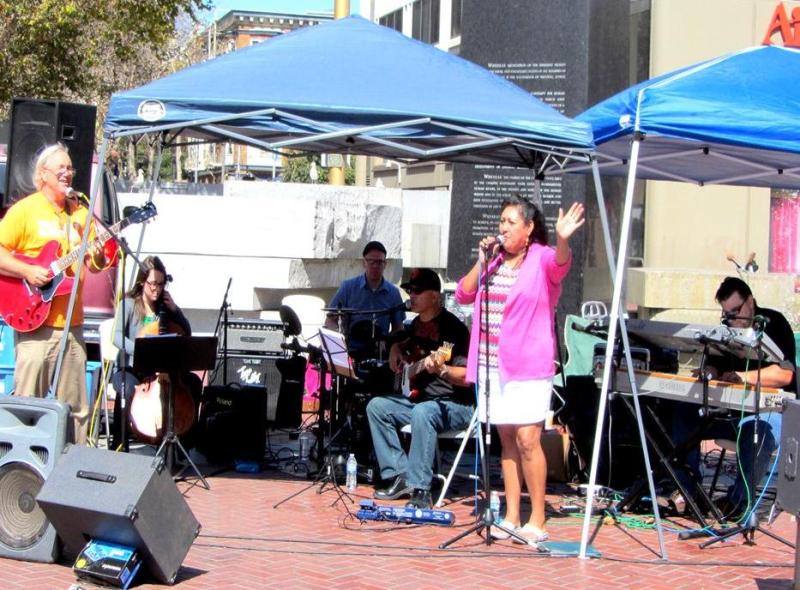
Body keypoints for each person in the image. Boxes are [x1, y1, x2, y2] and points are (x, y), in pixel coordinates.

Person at [455, 195, 585, 545]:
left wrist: (562, 238)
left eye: (511, 222)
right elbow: (463, 295)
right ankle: (511, 516)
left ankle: (538, 518)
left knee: (529, 438)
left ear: (528, 229)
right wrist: (481, 262)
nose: (503, 228)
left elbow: (561, 265)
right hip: (492, 365)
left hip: (528, 366)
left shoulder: (541, 258)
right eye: (501, 222)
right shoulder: (494, 261)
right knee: (507, 440)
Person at [0, 144, 108, 445]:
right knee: (27, 403)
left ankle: (70, 478)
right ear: (43, 174)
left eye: (70, 168)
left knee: (76, 410)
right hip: (35, 322)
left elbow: (96, 265)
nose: (67, 172)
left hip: (72, 326)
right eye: (60, 168)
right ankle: (18, 474)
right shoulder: (24, 211)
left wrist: (99, 253)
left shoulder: (81, 213)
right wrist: (27, 272)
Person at [672, 277, 796, 518]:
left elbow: (785, 374)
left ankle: (738, 502)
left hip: (767, 412)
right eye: (727, 315)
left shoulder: (774, 323)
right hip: (728, 412)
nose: (733, 319)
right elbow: (715, 367)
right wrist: (709, 372)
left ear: (751, 301)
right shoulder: (728, 330)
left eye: (737, 311)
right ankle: (688, 492)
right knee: (684, 413)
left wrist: (742, 376)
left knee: (755, 431)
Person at [367, 268, 473, 509]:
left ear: (435, 296)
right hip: (420, 401)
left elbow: (467, 377)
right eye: (409, 291)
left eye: (417, 291)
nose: (411, 296)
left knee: (423, 412)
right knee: (377, 407)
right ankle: (400, 473)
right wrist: (395, 350)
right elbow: (401, 340)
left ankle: (421, 488)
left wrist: (442, 370)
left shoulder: (453, 330)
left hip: (454, 404)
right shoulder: (415, 324)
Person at [111, 255, 192, 450]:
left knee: (192, 383)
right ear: (142, 282)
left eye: (161, 284)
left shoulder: (165, 308)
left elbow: (186, 332)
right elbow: (116, 337)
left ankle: (180, 445)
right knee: (127, 389)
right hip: (130, 368)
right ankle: (119, 443)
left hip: (159, 372)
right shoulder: (129, 305)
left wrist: (176, 310)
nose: (157, 289)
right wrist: (141, 351)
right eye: (153, 284)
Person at [324, 241, 405, 360]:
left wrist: (389, 343)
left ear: (385, 264)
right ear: (364, 262)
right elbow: (330, 321)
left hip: (380, 356)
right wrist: (340, 343)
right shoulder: (348, 287)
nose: (375, 266)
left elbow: (399, 328)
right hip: (351, 353)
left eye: (379, 262)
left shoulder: (393, 293)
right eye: (371, 261)